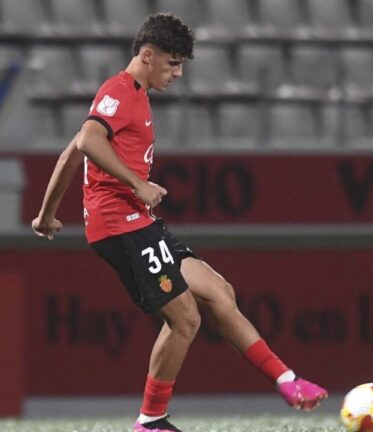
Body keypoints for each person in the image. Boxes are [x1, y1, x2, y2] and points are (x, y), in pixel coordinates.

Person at [31, 13, 328, 432]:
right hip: (120, 222)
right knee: (185, 318)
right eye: (172, 63)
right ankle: (151, 421)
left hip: (137, 220)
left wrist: (46, 214)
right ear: (147, 55)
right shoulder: (119, 90)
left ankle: (286, 380)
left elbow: (70, 153)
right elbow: (88, 140)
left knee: (218, 290)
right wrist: (138, 183)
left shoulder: (136, 95)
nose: (179, 72)